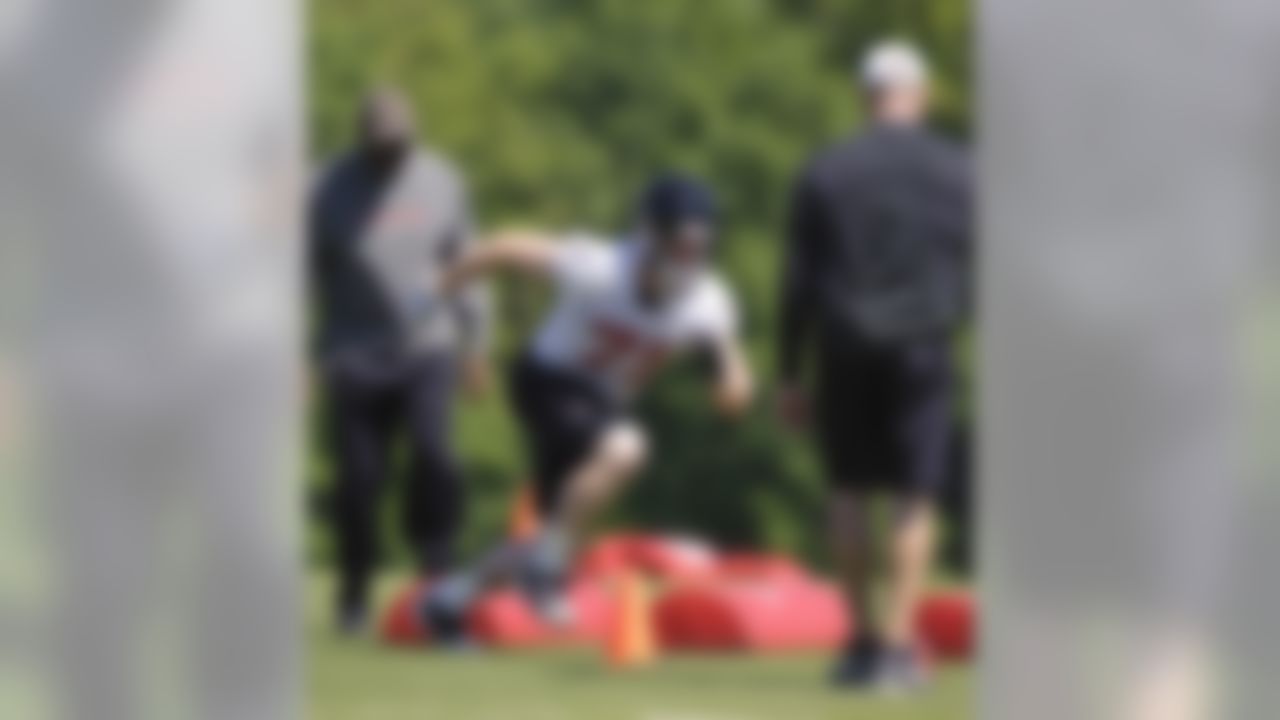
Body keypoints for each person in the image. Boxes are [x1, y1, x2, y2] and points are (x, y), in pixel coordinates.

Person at [422, 174, 754, 643]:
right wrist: (442, 285)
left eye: (698, 249)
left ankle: (447, 602)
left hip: (600, 401)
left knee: (552, 526)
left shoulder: (706, 302)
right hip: (547, 381)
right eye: (680, 247)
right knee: (628, 449)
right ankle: (545, 567)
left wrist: (733, 383)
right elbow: (504, 248)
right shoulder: (599, 267)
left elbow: (733, 383)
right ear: (651, 236)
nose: (689, 261)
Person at [777, 41, 973, 691]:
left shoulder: (827, 171)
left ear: (866, 97)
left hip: (844, 342)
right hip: (923, 341)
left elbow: (798, 281)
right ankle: (895, 646)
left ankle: (858, 642)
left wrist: (787, 373)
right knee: (915, 495)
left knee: (848, 489)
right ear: (922, 94)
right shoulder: (959, 169)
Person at [309, 87, 491, 634]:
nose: (391, 155)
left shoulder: (442, 181)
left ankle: (438, 577)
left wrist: (475, 341)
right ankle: (355, 595)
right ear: (362, 139)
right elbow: (299, 272)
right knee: (359, 483)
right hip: (353, 349)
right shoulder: (325, 188)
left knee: (437, 456)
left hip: (426, 343)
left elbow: (467, 261)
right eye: (381, 146)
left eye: (400, 145)